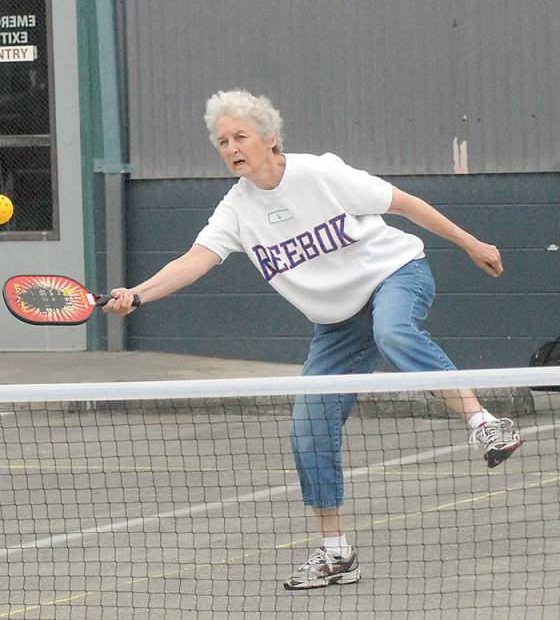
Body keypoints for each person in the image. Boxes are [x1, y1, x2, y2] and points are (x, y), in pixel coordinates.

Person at [102, 89, 522, 590]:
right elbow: (194, 260)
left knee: (393, 332)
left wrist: (471, 243)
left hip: (394, 275)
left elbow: (405, 204)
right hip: (337, 325)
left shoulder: (320, 174)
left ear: (270, 137)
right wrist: (139, 294)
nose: (232, 147)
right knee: (309, 428)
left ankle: (485, 423)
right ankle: (336, 552)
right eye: (222, 141)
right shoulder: (235, 210)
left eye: (241, 135)